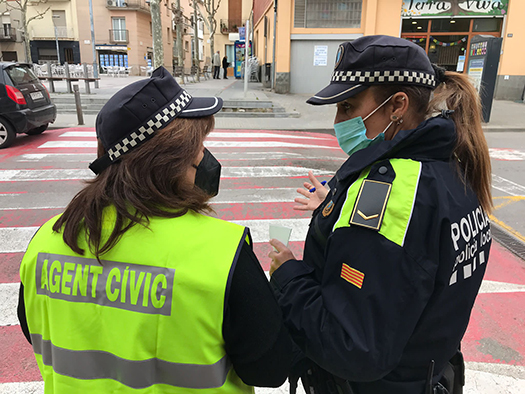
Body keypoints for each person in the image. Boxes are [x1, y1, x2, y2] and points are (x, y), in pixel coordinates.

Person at [17, 66, 292, 393]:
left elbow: (33, 327)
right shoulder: (221, 254)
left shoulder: (47, 240)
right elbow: (270, 370)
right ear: (176, 158)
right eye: (200, 144)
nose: (205, 155)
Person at [268, 35, 493, 394]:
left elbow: (352, 347)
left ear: (397, 106)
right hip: (429, 374)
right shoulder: (452, 167)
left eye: (348, 107)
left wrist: (288, 277)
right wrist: (340, 208)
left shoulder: (392, 195)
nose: (338, 120)